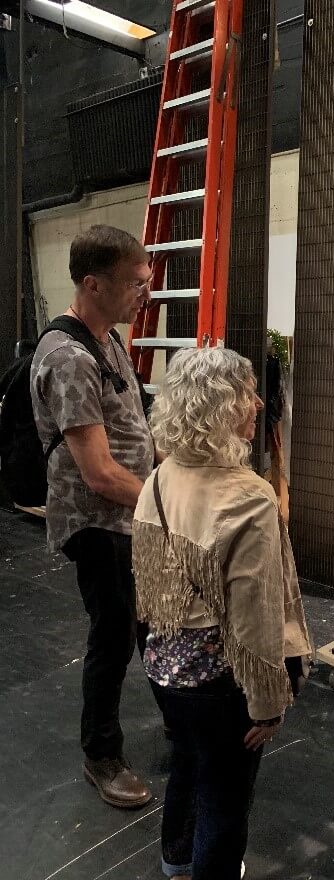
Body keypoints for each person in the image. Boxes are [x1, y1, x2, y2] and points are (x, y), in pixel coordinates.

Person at [132, 347, 311, 880]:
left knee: (187, 765)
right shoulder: (248, 498)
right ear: (221, 406)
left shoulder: (158, 479)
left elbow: (147, 584)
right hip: (220, 683)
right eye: (246, 393)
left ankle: (176, 858)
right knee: (227, 797)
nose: (258, 403)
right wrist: (267, 704)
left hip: (164, 665)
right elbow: (256, 618)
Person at [31, 225, 155, 808]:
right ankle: (100, 754)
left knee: (147, 622)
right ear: (92, 283)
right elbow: (100, 474)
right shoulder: (70, 358)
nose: (145, 294)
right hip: (98, 522)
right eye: (135, 283)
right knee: (112, 634)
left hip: (130, 515)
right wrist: (169, 499)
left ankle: (181, 716)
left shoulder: (106, 338)